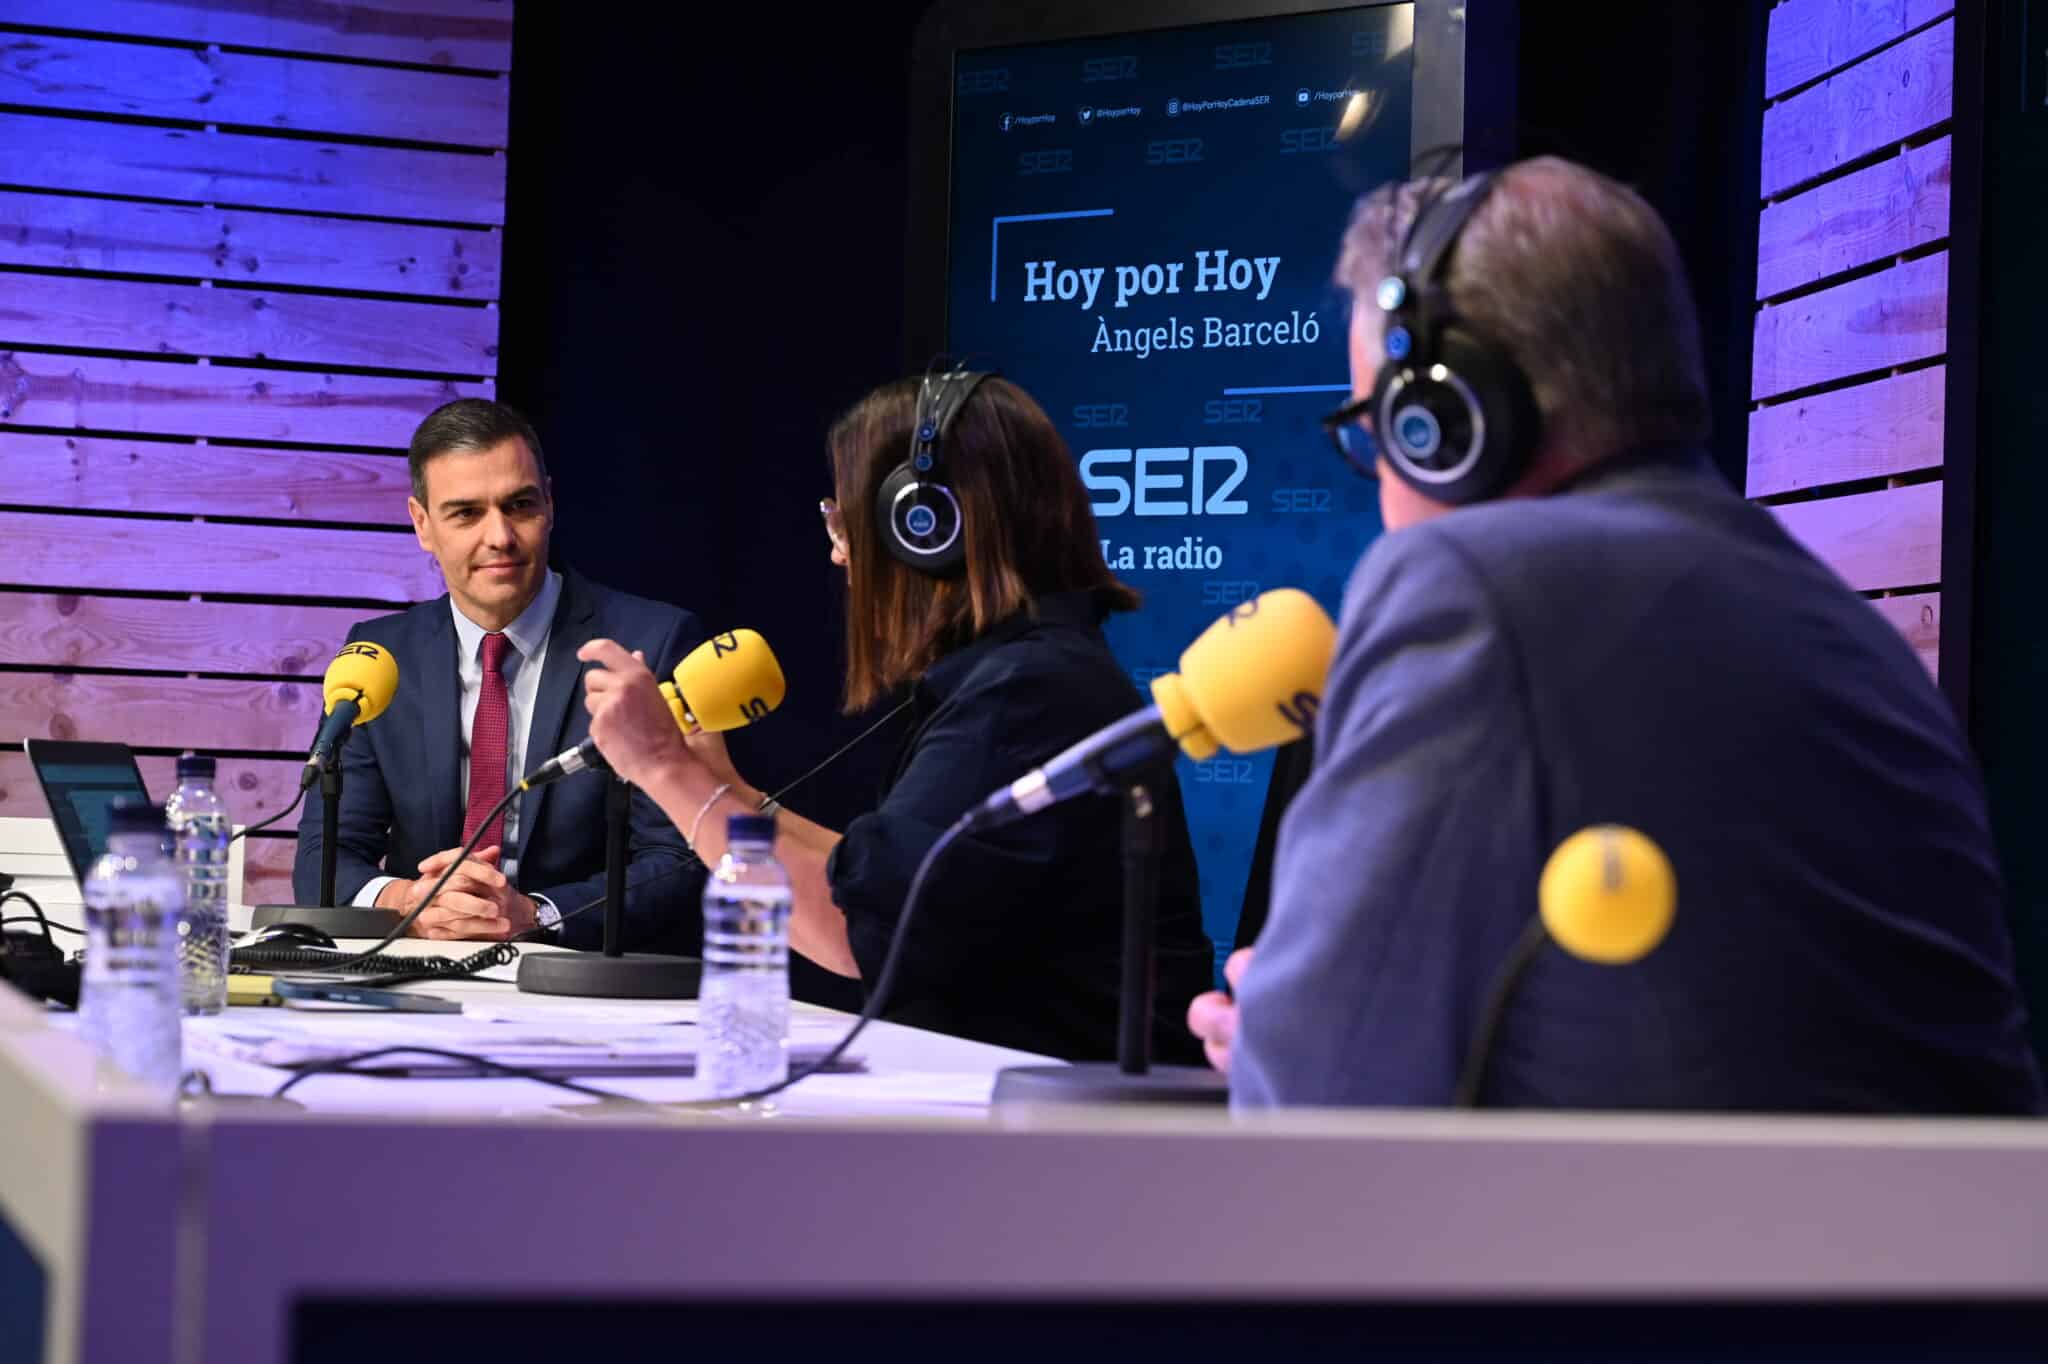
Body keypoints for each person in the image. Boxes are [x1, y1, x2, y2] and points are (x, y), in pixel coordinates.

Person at [1189, 157, 2045, 1113]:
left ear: (1450, 420)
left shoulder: (1470, 587)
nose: (1384, 480)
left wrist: (1269, 1023)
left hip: (1672, 1258)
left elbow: (1317, 1100)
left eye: (1378, 426)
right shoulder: (1852, 635)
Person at [577, 371, 1216, 1061]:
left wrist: (663, 768)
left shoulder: (1027, 694)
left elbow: (853, 932)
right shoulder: (1021, 672)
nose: (837, 549)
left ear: (925, 524)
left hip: (1062, 1134)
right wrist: (727, 791)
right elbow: (870, 879)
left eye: (842, 517)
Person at [292, 399, 705, 950]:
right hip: (419, 967)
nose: (501, 538)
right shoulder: (379, 656)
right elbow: (325, 856)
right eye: (466, 513)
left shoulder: (651, 647)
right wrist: (407, 902)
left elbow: (682, 858)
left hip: (579, 977)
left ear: (551, 504)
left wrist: (536, 914)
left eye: (519, 506)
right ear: (423, 524)